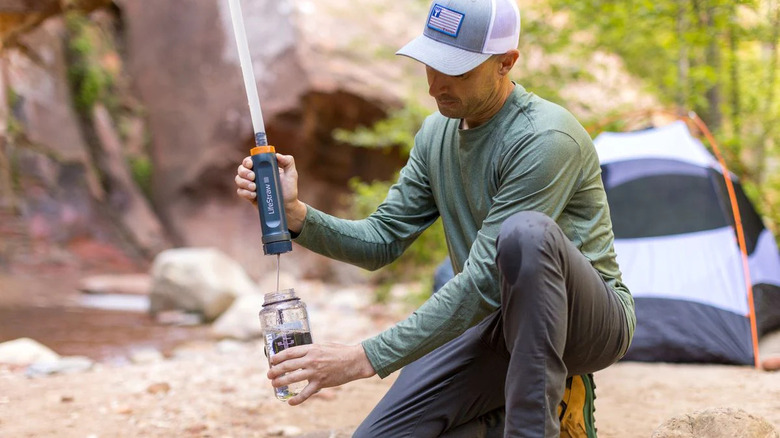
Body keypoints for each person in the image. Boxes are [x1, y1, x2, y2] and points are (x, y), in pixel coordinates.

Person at [235, 0, 635, 436]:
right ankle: (494, 418)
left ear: (506, 63)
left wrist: (362, 357)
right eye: (431, 65)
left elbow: (483, 278)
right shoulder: (436, 134)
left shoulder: (545, 137)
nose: (436, 86)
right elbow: (380, 240)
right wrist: (296, 215)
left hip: (586, 324)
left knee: (525, 235)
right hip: (492, 322)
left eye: (457, 71)